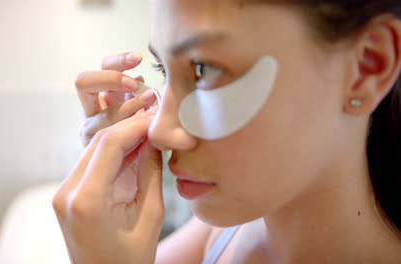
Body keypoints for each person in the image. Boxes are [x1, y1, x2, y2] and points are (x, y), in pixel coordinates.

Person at [52, 0, 401, 263]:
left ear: (367, 67)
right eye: (163, 68)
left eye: (204, 69)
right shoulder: (225, 231)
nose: (160, 131)